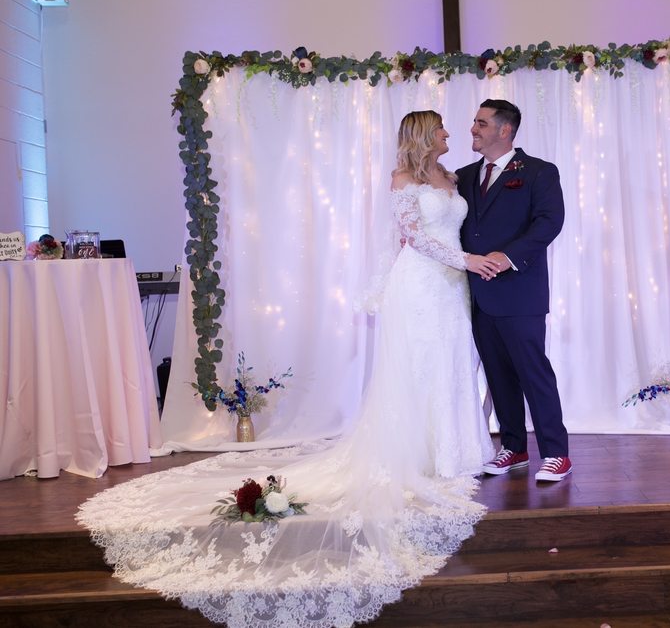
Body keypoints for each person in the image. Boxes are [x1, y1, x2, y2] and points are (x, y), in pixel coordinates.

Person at [77, 110, 500, 628]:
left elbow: (452, 230)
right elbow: (414, 238)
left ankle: (453, 449)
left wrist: (466, 265)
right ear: (423, 134)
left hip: (451, 288)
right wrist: (469, 260)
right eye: (442, 128)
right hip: (421, 283)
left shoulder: (451, 177)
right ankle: (419, 454)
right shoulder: (402, 179)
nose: (450, 134)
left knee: (451, 364)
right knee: (420, 368)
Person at [456, 99, 572, 482]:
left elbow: (549, 222)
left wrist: (507, 257)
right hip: (478, 295)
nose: (473, 129)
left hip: (520, 292)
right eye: (475, 121)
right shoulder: (463, 176)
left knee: (533, 373)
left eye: (481, 123)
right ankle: (514, 447)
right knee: (497, 374)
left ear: (505, 130)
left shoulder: (539, 172)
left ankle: (556, 453)